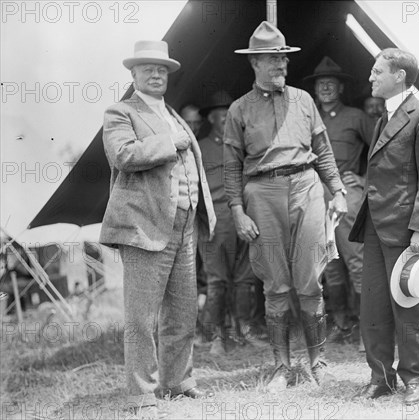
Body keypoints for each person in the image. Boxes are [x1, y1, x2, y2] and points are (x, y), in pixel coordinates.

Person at [223, 21, 347, 392]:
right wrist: (237, 210)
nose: (281, 66)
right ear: (255, 64)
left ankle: (317, 362)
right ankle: (281, 367)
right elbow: (231, 166)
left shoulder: (304, 100)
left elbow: (322, 150)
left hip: (306, 188)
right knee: (276, 284)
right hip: (261, 194)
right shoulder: (238, 110)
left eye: (284, 59)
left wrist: (337, 189)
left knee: (310, 279)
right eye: (272, 60)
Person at [99, 40, 216, 413]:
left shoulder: (174, 114)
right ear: (132, 75)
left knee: (183, 311)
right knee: (141, 317)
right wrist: (170, 142)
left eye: (162, 69)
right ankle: (140, 394)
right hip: (144, 226)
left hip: (183, 224)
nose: (155, 74)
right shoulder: (120, 112)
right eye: (147, 68)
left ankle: (178, 382)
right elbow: (123, 155)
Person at [349, 48, 419, 404]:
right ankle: (381, 377)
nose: (371, 78)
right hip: (376, 226)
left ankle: (413, 379)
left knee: (409, 304)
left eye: (377, 72)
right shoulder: (383, 118)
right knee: (373, 305)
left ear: (400, 76)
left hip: (407, 228)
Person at [303, 57, 373, 347]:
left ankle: (365, 327)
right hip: (314, 195)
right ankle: (341, 323)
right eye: (321, 84)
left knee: (357, 262)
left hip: (347, 195)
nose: (326, 88)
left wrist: (365, 179)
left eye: (331, 83)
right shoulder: (307, 116)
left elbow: (383, 147)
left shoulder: (357, 116)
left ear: (341, 87)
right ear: (315, 89)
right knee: (327, 265)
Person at [197, 90, 266, 355]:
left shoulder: (245, 145)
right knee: (217, 280)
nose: (228, 120)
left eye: (231, 115)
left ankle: (244, 331)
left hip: (246, 217)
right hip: (217, 220)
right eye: (223, 115)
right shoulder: (200, 147)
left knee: (245, 279)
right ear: (212, 119)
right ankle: (215, 337)